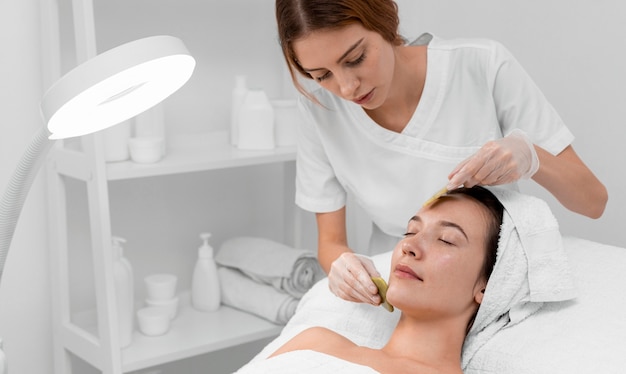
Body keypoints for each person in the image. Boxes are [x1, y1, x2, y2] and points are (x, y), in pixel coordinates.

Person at [275, 0, 608, 305]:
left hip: (490, 282)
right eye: (322, 75)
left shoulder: (480, 65)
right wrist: (342, 267)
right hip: (400, 287)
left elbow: (593, 201)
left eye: (356, 59)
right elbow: (331, 242)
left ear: (385, 21)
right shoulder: (320, 109)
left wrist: (530, 156)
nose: (347, 88)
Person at [268, 186, 505, 374]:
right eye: (410, 231)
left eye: (446, 240)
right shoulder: (315, 341)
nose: (409, 246)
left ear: (486, 287)